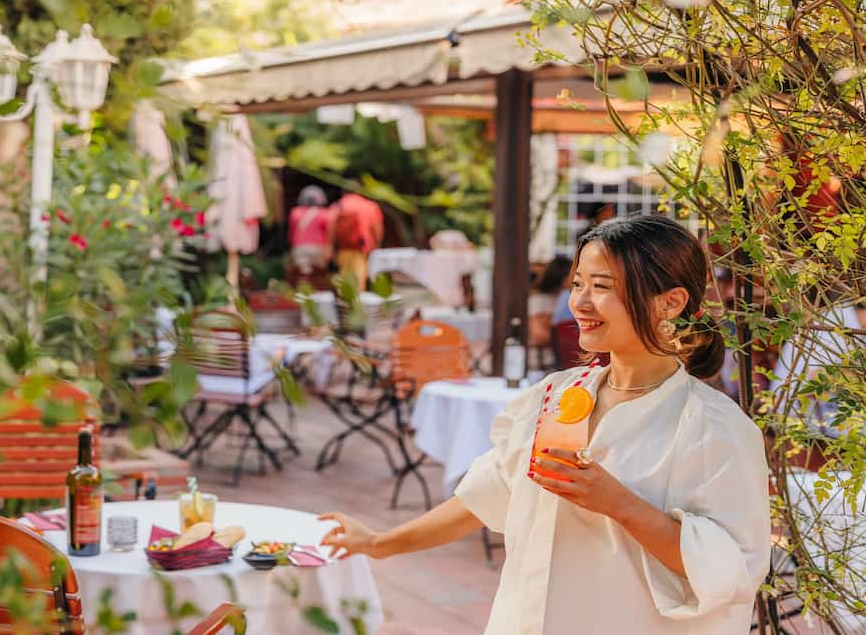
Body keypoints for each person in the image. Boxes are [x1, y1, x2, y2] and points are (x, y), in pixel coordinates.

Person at [320, 215, 770, 635]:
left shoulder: (713, 429)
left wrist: (622, 505)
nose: (580, 302)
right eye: (578, 284)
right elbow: (488, 494)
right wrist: (380, 543)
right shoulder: (555, 397)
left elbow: (729, 570)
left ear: (670, 301)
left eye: (602, 286)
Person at [527, 256, 572, 376]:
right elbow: (539, 335)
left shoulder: (566, 297)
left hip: (563, 362)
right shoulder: (539, 301)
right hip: (543, 365)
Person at [332, 192, 383, 289]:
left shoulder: (339, 205)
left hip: (344, 246)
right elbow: (377, 228)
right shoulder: (370, 205)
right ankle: (357, 298)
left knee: (344, 273)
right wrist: (377, 243)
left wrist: (330, 246)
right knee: (359, 274)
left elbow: (331, 226)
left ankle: (345, 298)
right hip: (362, 246)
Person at [288, 186, 334, 275]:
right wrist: (329, 249)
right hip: (319, 248)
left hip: (299, 248)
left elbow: (291, 233)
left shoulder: (295, 212)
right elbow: (328, 233)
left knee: (303, 276)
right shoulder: (324, 213)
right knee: (318, 276)